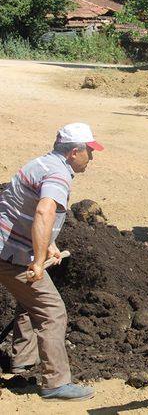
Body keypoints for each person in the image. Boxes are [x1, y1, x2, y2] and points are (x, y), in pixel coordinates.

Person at [0, 123, 103, 401]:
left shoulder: (43, 163)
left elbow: (24, 206)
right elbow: (44, 211)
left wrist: (49, 246)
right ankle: (55, 383)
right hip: (11, 254)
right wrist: (36, 259)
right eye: (89, 152)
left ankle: (21, 360)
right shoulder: (58, 173)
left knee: (31, 301)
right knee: (52, 311)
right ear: (73, 152)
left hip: (7, 246)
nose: (91, 158)